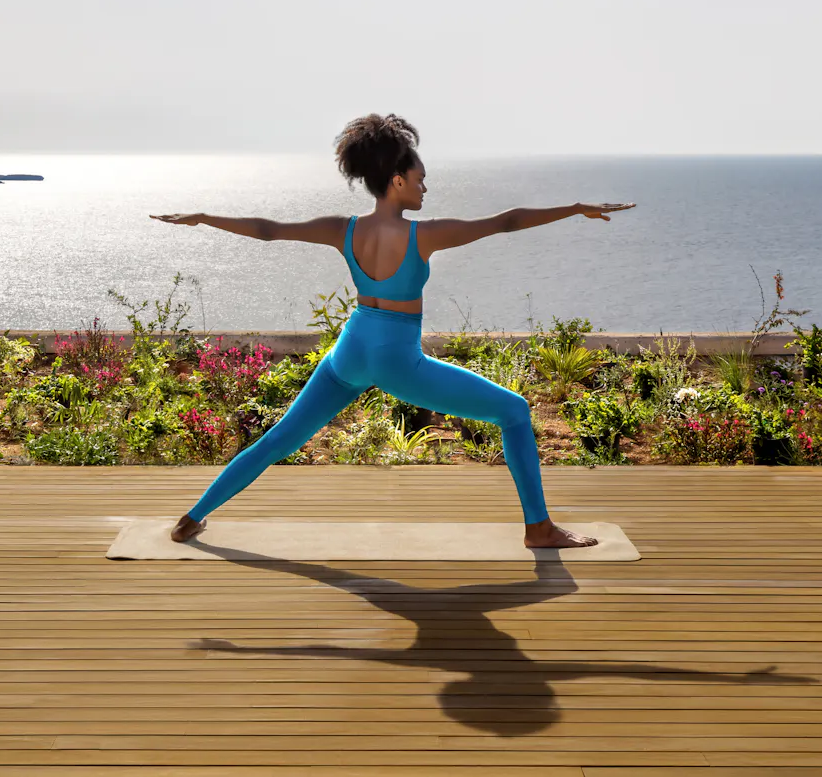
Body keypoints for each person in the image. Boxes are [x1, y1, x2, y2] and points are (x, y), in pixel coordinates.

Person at [152, 113, 634, 549]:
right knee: (514, 412)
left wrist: (204, 218)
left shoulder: (342, 229)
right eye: (421, 180)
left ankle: (192, 518)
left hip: (350, 348)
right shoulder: (422, 235)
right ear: (398, 180)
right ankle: (539, 529)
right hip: (395, 359)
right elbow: (505, 222)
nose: (426, 188)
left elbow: (268, 229)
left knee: (279, 440)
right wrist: (574, 208)